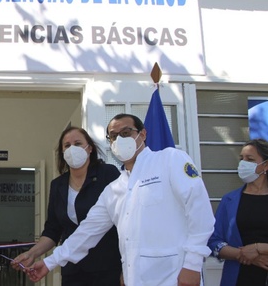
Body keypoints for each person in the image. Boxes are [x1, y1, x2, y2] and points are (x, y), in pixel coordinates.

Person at [26, 113, 215, 286]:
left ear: (142, 134)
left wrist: (193, 264)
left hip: (173, 276)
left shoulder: (169, 160)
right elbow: (85, 233)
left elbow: (200, 212)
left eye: (126, 133)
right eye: (114, 136)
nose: (119, 140)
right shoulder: (114, 188)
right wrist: (49, 263)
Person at [11, 126, 122, 285]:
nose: (72, 149)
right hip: (72, 269)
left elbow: (123, 221)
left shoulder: (107, 174)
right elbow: (53, 230)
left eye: (77, 143)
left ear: (89, 148)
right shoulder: (58, 185)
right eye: (67, 145)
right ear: (62, 152)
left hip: (107, 267)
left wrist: (126, 266)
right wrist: (32, 253)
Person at [207, 138, 268, 286]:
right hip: (238, 278)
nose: (242, 163)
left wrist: (257, 248)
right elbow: (214, 241)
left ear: (267, 165)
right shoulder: (229, 200)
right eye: (241, 158)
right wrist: (244, 255)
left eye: (250, 159)